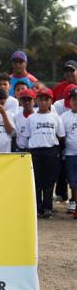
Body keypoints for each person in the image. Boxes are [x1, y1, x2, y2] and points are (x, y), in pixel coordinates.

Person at [26, 87, 65, 218]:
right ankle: (37, 208)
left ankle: (48, 207)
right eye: (40, 99)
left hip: (51, 151)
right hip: (35, 151)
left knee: (49, 181)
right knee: (36, 181)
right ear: (36, 100)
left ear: (50, 101)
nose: (43, 102)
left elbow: (60, 135)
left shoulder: (55, 117)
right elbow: (28, 135)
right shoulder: (31, 118)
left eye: (46, 100)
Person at [60, 84, 77, 218]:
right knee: (72, 181)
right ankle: (74, 202)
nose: (75, 101)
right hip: (71, 154)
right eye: (73, 99)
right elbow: (62, 136)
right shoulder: (65, 117)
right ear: (69, 101)